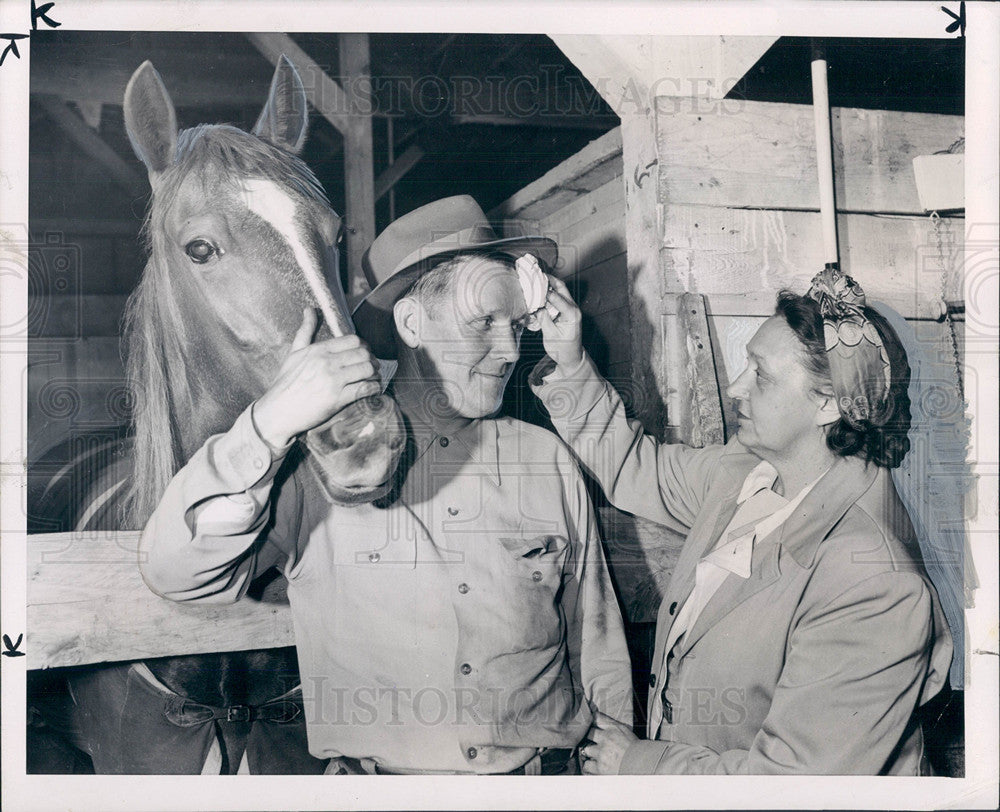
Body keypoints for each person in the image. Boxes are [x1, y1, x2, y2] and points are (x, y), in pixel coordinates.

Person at [138, 195, 633, 775]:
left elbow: (596, 638)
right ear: (411, 323)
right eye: (483, 323)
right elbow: (176, 572)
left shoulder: (546, 460)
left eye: (518, 325)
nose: (509, 350)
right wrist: (267, 425)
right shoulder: (318, 467)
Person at [529, 267, 952, 775]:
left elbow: (792, 785)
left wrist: (640, 764)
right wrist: (569, 359)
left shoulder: (875, 583)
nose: (734, 386)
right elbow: (634, 467)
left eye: (761, 375)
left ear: (828, 404)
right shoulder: (747, 472)